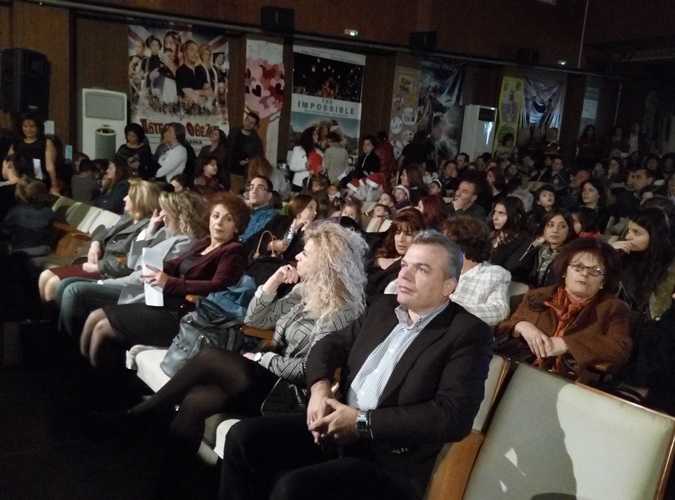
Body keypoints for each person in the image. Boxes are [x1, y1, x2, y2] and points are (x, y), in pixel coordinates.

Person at [218, 230, 492, 500]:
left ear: (448, 286)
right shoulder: (383, 307)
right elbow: (329, 345)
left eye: (421, 269)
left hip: (387, 457)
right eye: (405, 265)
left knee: (293, 488)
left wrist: (361, 422)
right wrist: (319, 390)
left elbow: (452, 417)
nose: (404, 275)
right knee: (243, 438)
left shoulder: (468, 333)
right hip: (335, 427)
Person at [103, 222, 369, 499]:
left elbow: (308, 370)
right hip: (267, 374)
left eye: (307, 253)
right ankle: (169, 486)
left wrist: (262, 358)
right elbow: (256, 320)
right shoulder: (305, 290)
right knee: (196, 401)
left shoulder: (342, 311)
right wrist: (273, 282)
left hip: (293, 394)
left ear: (326, 263)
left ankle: (138, 415)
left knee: (211, 358)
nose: (298, 256)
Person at [80, 193, 250, 367]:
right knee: (95, 316)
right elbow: (175, 263)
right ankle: (83, 371)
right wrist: (158, 268)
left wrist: (169, 282)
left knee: (102, 327)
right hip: (167, 304)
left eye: (228, 219)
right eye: (216, 216)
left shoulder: (233, 251)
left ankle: (98, 379)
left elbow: (218, 285)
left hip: (186, 316)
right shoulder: (204, 243)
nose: (219, 222)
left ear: (237, 227)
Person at [58, 191, 204, 339]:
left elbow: (143, 277)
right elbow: (132, 262)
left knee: (74, 290)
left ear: (179, 214)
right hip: (129, 282)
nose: (162, 214)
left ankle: (67, 341)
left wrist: (105, 282)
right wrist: (150, 230)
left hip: (138, 291)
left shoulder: (185, 242)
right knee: (67, 283)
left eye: (165, 210)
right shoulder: (164, 232)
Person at [496, 238, 632, 382]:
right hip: (519, 371)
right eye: (578, 267)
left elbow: (619, 349)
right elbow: (504, 327)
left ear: (603, 282)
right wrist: (521, 326)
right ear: (564, 271)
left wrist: (567, 344)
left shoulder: (614, 308)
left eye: (595, 271)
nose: (584, 274)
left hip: (571, 382)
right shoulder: (537, 296)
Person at [38, 179, 160, 303]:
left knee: (53, 283)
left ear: (139, 201)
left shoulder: (147, 228)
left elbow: (129, 260)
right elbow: (103, 230)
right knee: (45, 275)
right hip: (97, 264)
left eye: (129, 196)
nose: (124, 198)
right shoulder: (128, 218)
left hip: (110, 273)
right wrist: (95, 244)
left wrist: (99, 267)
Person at [441, 216, 511, 326]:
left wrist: (453, 311)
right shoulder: (439, 269)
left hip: (459, 330)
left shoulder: (494, 274)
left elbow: (499, 310)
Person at [611, 208, 675, 324]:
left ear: (654, 235)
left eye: (636, 232)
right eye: (628, 231)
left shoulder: (670, 267)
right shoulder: (623, 256)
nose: (628, 237)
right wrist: (609, 255)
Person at [366, 209, 425, 301]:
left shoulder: (414, 268)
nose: (401, 239)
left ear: (419, 237)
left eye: (408, 234)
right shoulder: (383, 253)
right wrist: (377, 261)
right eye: (397, 233)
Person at [512, 210, 576, 287]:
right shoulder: (537, 250)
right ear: (544, 229)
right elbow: (517, 273)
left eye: (562, 226)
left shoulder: (572, 256)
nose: (555, 230)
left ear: (569, 231)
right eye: (550, 225)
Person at [1, 177, 55, 256]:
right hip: (43, 249)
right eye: (45, 192)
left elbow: (5, 231)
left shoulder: (15, 211)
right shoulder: (48, 212)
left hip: (19, 251)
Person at [8, 114, 61, 193]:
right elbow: (9, 161)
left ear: (38, 127)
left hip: (40, 182)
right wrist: (15, 178)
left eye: (32, 126)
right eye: (25, 126)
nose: (28, 129)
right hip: (20, 182)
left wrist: (54, 185)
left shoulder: (46, 142)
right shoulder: (17, 143)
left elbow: (50, 166)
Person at [489, 196, 530, 274]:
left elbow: (509, 267)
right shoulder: (491, 234)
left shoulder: (523, 240)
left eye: (501, 213)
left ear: (516, 216)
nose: (494, 217)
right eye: (494, 212)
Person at [227, 112, 263, 194]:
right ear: (244, 120)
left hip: (245, 173)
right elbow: (227, 148)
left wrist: (248, 161)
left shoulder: (256, 140)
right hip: (229, 169)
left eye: (251, 123)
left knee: (241, 196)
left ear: (254, 126)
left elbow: (258, 157)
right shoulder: (234, 132)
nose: (248, 124)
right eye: (247, 120)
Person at [0, 153, 33, 220]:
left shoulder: (4, 191)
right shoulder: (30, 185)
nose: (2, 169)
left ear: (9, 164)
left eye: (3, 166)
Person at [289, 126, 322, 191]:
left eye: (317, 134)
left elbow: (319, 167)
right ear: (309, 136)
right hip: (299, 184)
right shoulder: (297, 149)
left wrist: (320, 169)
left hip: (313, 185)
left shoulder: (318, 151)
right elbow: (292, 167)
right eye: (315, 134)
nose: (317, 136)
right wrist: (305, 166)